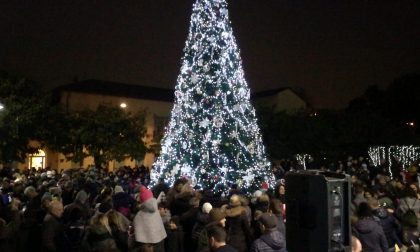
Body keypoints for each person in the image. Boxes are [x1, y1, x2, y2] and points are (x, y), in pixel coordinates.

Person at [133, 186, 167, 251]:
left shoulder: (139, 215)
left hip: (147, 245)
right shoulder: (156, 210)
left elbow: (138, 231)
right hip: (160, 241)